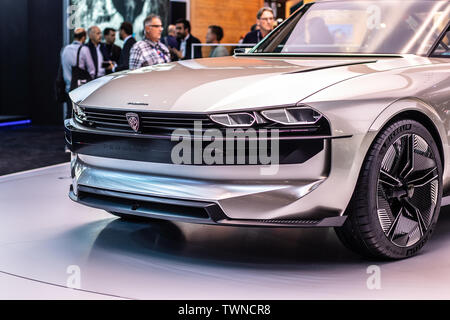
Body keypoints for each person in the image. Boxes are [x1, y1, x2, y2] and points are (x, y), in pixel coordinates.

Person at [59, 28, 87, 120]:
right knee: (81, 116)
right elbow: (92, 70)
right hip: (80, 89)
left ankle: (67, 133)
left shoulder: (64, 49)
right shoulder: (83, 49)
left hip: (68, 88)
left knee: (69, 114)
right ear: (83, 37)